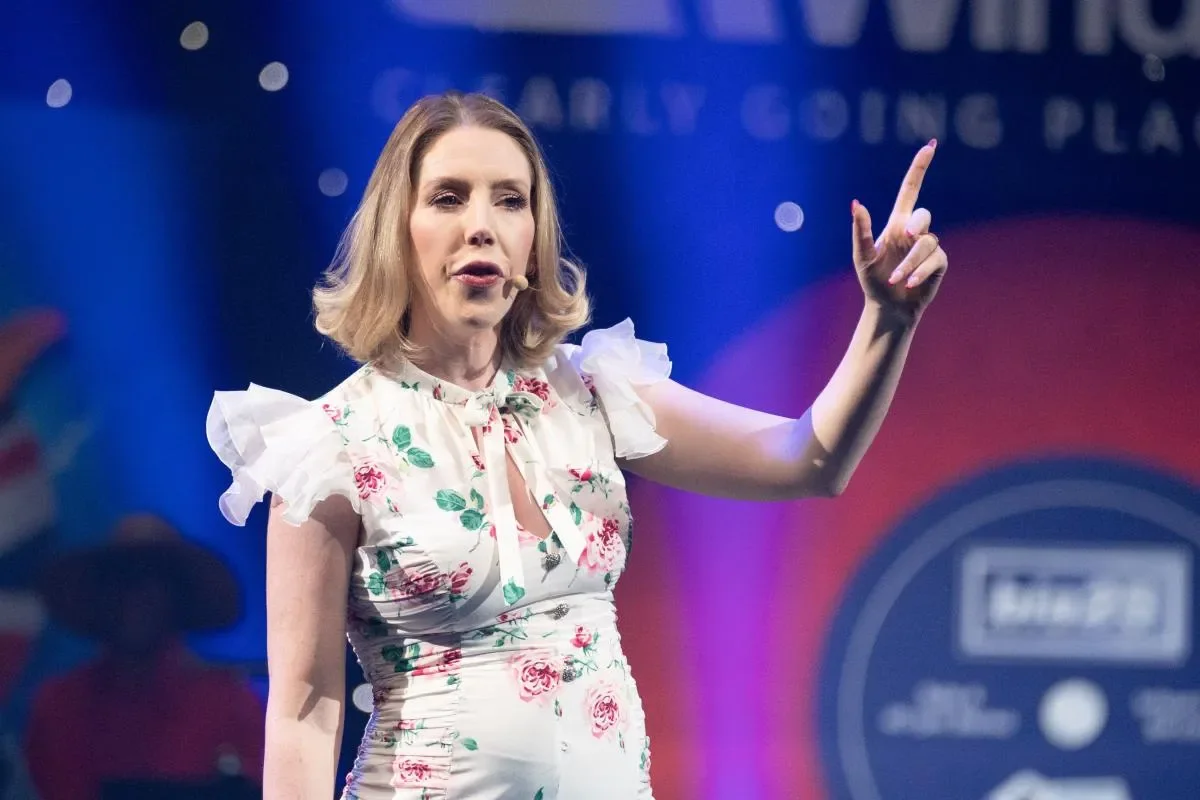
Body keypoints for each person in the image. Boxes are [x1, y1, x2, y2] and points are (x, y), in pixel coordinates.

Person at [205, 91, 948, 799]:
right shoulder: (328, 445)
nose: (482, 225)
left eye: (510, 199)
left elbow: (807, 460)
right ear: (397, 230)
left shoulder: (593, 393)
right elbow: (303, 711)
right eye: (448, 197)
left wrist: (888, 320)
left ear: (533, 237)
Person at [24, 513, 265, 800]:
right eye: (122, 579)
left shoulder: (230, 704)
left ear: (178, 596)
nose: (134, 598)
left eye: (150, 580)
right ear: (101, 595)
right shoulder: (60, 705)